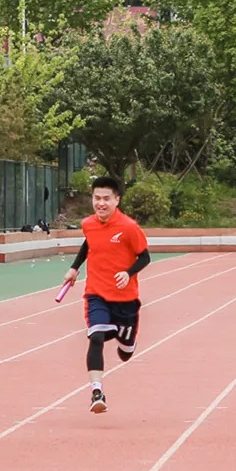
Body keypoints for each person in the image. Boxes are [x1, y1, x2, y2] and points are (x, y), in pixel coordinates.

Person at [62, 176, 151, 414]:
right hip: (96, 293)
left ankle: (124, 338)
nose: (101, 203)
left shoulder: (129, 227)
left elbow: (145, 257)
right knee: (97, 336)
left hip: (126, 299)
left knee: (125, 353)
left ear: (116, 200)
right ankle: (96, 392)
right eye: (96, 198)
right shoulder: (88, 224)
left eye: (106, 199)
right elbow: (88, 244)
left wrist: (129, 272)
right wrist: (74, 267)